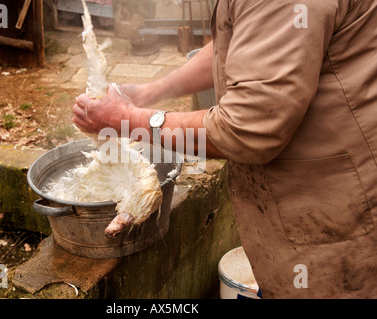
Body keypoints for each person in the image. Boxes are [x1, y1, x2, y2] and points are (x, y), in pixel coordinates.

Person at [72, 0, 377, 299]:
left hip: (334, 210)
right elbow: (241, 43)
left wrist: (127, 120)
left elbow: (247, 128)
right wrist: (150, 91)